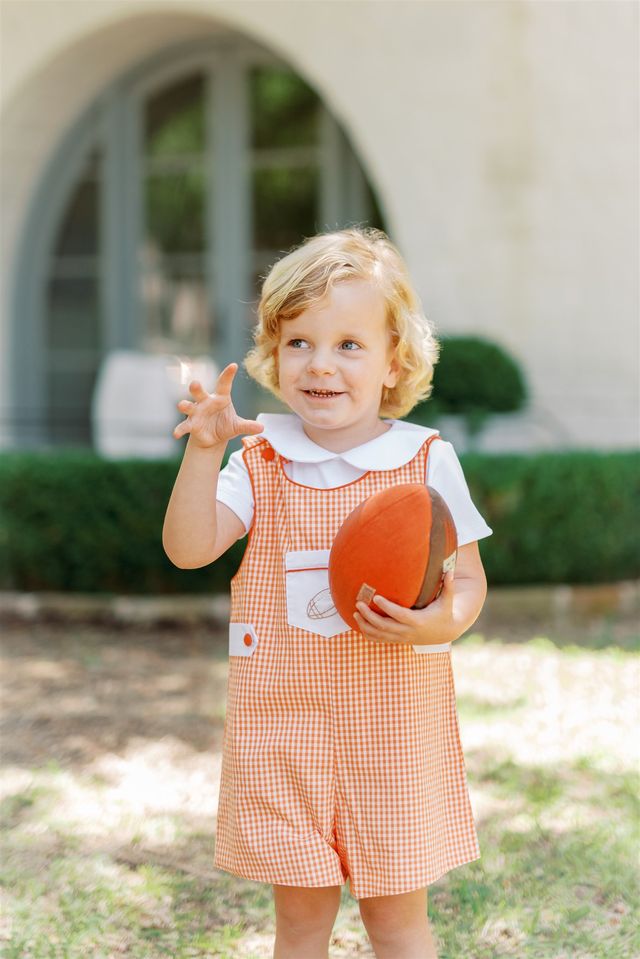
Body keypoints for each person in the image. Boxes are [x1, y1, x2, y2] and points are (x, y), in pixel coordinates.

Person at [162, 226, 493, 959]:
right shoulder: (263, 459)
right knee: (303, 923)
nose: (322, 364)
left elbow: (466, 581)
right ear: (274, 357)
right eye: (300, 342)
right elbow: (188, 549)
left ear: (392, 361)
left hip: (393, 736)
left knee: (395, 922)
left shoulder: (425, 461)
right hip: (285, 735)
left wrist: (437, 622)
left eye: (349, 344)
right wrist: (205, 451)